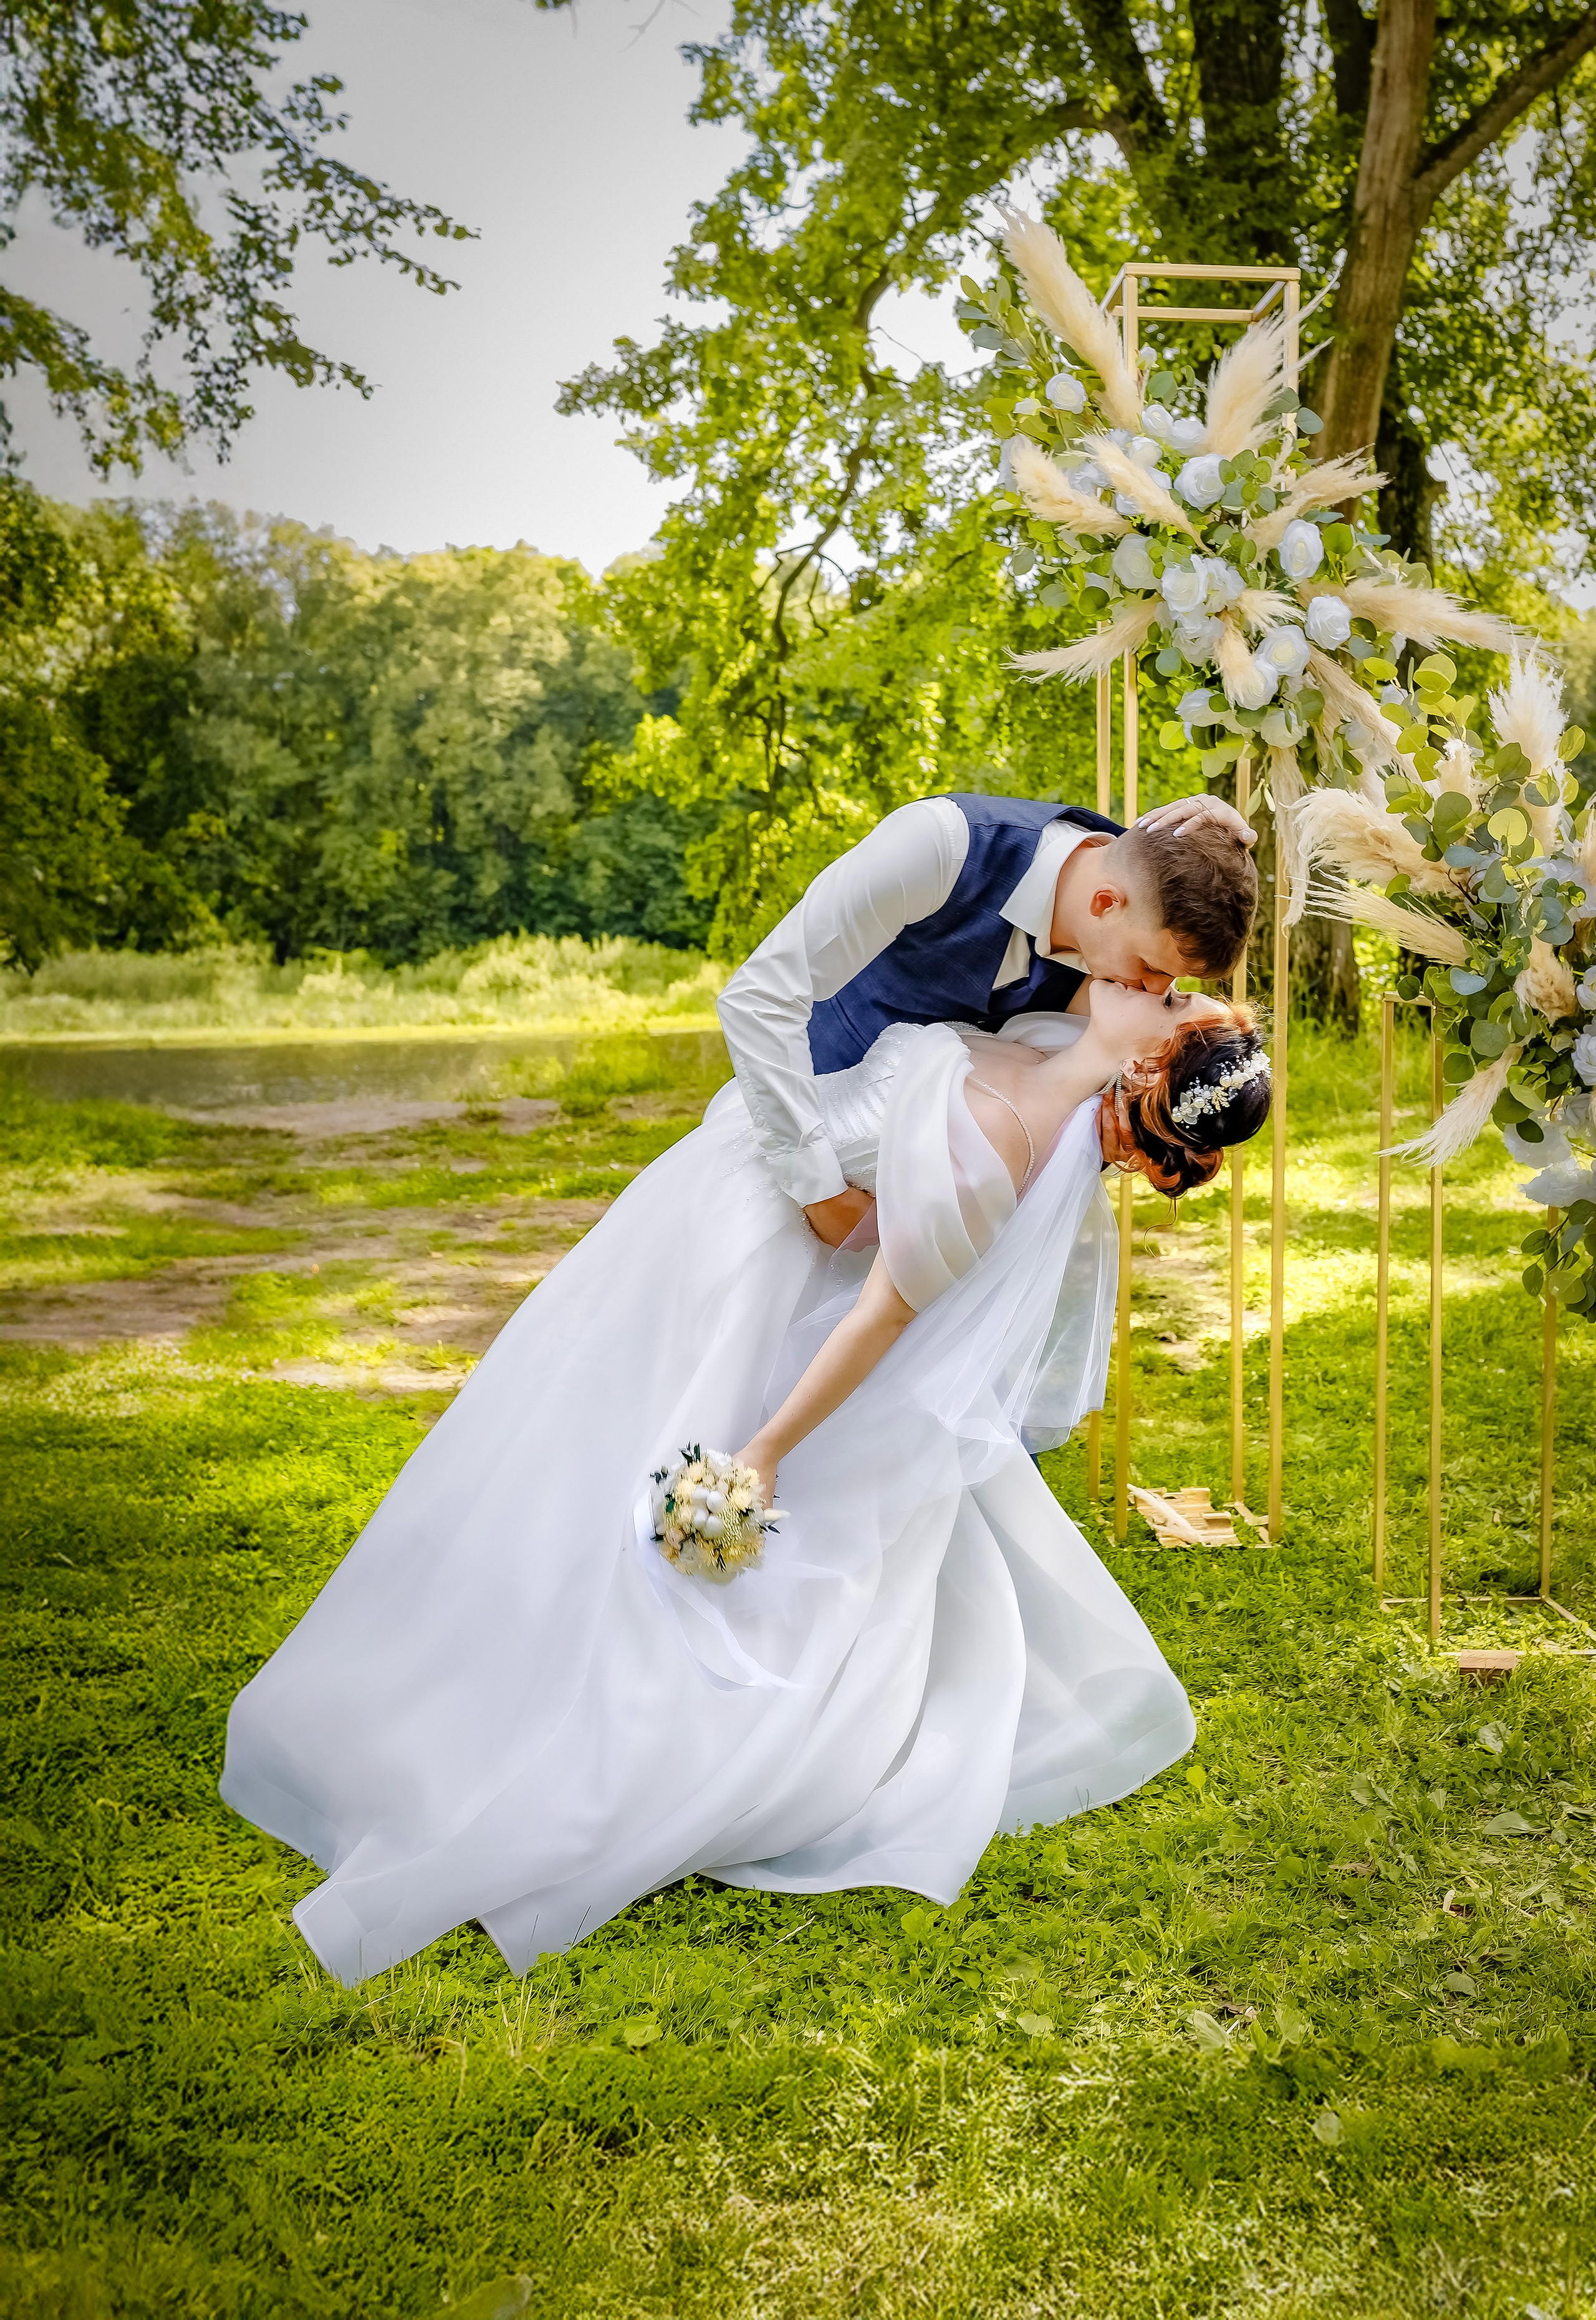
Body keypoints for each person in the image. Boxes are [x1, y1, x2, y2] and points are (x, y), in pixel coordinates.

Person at [221, 968, 1271, 1989]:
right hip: (766, 1233)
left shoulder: (1015, 1142)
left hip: (827, 1324)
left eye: (1170, 999)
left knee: (690, 1531)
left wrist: (761, 1454)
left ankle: (609, 1743)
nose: (1154, 980)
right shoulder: (1069, 1042)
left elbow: (882, 1318)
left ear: (1146, 1064)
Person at [716, 786, 1258, 1253]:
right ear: (1103, 903)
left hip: (914, 1229)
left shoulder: (1138, 923)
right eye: (1151, 967)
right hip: (786, 1149)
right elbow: (760, 996)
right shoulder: (940, 846)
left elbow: (1079, 1103)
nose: (1157, 990)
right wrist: (820, 1191)